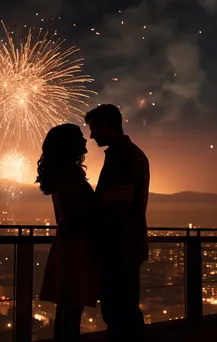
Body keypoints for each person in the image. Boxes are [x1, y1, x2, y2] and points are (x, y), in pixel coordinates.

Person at [85, 104, 150, 342]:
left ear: (106, 125)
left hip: (118, 247)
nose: (91, 136)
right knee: (125, 308)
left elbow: (119, 204)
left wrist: (101, 201)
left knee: (118, 311)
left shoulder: (123, 157)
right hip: (126, 246)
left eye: (93, 129)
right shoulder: (132, 154)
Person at [35, 124, 99, 342]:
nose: (85, 139)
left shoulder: (62, 174)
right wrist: (106, 200)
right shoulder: (70, 176)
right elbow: (80, 215)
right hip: (76, 252)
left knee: (65, 311)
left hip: (67, 249)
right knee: (71, 312)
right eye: (80, 137)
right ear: (70, 144)